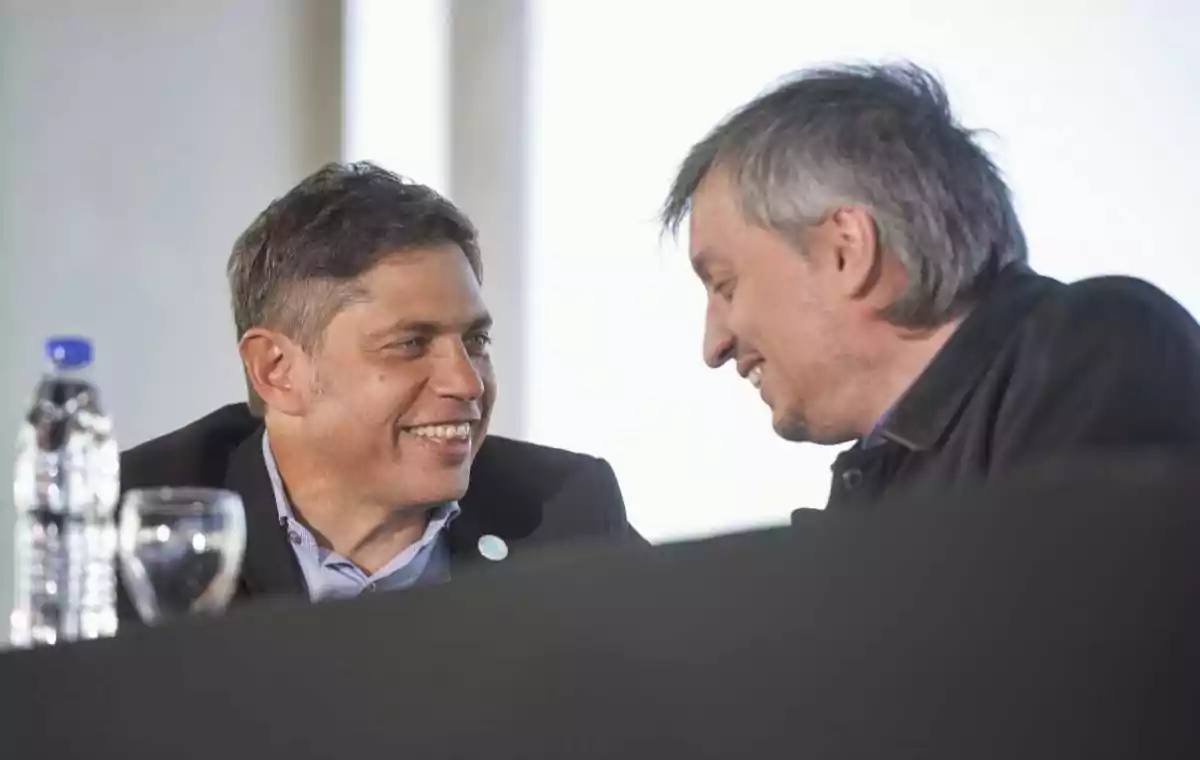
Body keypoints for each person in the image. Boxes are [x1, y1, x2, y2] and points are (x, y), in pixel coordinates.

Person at [661, 61, 1200, 510]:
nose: (714, 346)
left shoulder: (1098, 350)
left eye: (726, 285)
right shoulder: (883, 476)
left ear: (846, 250)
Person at [120, 162, 641, 612]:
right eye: (411, 343)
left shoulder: (565, 516)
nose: (465, 382)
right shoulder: (124, 534)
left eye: (476, 340)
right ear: (276, 369)